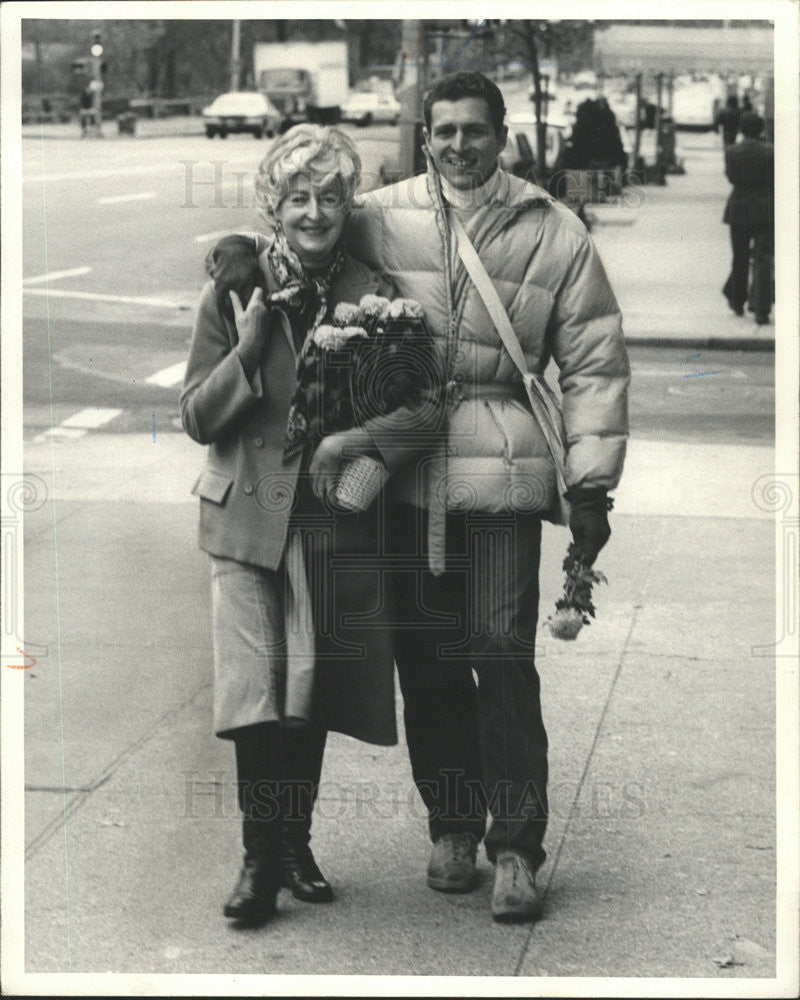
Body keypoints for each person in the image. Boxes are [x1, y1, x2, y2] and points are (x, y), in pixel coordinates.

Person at [347, 70, 630, 923]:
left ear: (502, 134)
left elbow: (592, 360)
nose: (459, 145)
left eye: (475, 130)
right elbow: (305, 244)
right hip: (404, 468)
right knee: (426, 661)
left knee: (502, 653)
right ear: (424, 137)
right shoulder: (378, 214)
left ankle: (517, 847)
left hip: (504, 467)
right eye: (444, 131)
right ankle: (452, 826)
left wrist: (592, 486)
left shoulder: (554, 230)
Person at [180, 124, 437, 926]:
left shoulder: (377, 292)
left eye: (330, 197)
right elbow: (194, 415)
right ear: (274, 204)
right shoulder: (235, 289)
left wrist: (357, 442)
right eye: (299, 198)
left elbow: (423, 409)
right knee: (254, 694)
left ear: (348, 204)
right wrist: (249, 349)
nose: (316, 213)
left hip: (332, 521)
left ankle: (296, 842)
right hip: (245, 520)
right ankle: (259, 861)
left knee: (308, 693)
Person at [722, 111, 774, 324]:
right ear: (761, 129)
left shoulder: (732, 151)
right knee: (763, 259)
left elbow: (732, 177)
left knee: (740, 257)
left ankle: (737, 299)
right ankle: (762, 308)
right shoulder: (770, 152)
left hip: (739, 208)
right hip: (765, 210)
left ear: (742, 129)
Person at [715, 95, 741, 168]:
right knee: (733, 145)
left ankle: (727, 164)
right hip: (734, 132)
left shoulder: (724, 111)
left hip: (726, 131)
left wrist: (716, 130)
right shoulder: (738, 111)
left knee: (726, 147)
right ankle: (732, 163)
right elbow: (740, 122)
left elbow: (717, 121)